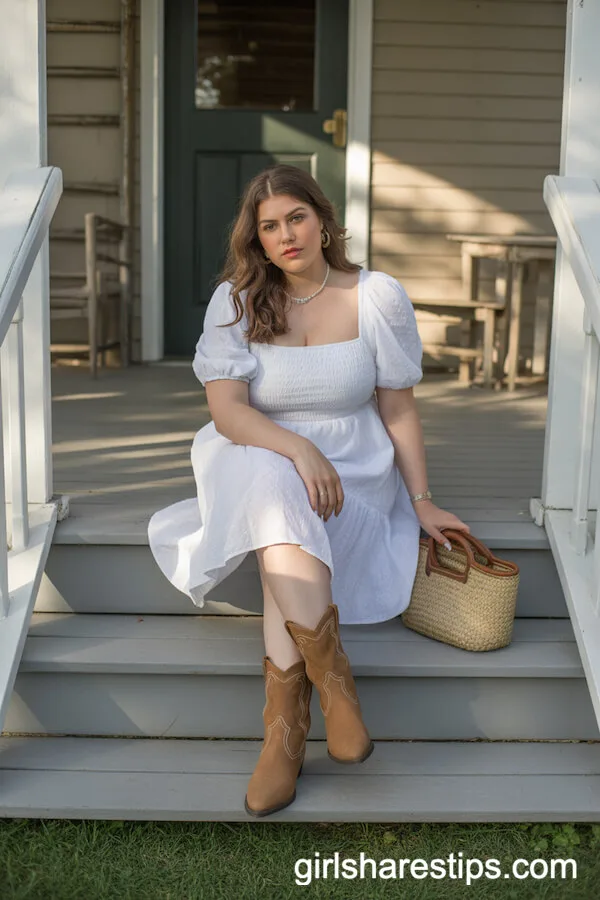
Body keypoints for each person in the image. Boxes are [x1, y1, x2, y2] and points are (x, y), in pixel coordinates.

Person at [148, 164, 470, 818]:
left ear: (323, 221)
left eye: (296, 217)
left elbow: (399, 410)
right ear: (257, 241)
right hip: (254, 450)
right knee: (273, 483)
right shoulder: (236, 300)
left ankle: (283, 739)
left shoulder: (375, 295)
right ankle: (336, 691)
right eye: (268, 227)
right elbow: (229, 414)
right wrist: (298, 446)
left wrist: (422, 498)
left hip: (353, 470)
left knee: (279, 528)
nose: (285, 235)